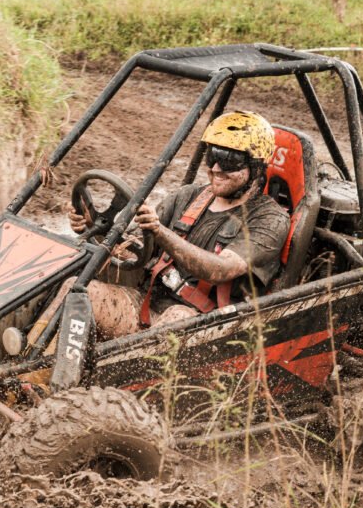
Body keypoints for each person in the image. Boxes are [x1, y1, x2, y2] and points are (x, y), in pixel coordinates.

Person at [68, 110, 290, 339]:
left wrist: (160, 232)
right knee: (76, 290)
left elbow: (221, 270)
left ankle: (122, 372)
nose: (215, 169)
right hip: (145, 305)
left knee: (177, 317)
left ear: (255, 166)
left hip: (204, 324)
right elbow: (131, 248)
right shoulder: (187, 196)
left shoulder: (269, 219)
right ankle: (36, 371)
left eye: (228, 161)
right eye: (212, 157)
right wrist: (93, 228)